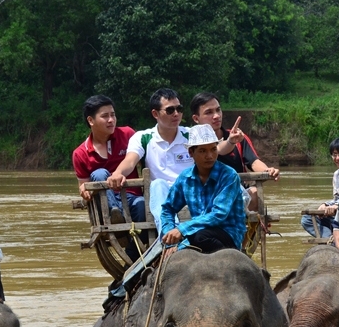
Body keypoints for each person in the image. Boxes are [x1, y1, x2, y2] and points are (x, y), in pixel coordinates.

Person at [107, 88, 193, 233]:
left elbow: (214, 151)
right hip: (161, 194)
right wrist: (118, 172)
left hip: (191, 191)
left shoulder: (192, 135)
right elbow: (130, 161)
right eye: (170, 110)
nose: (176, 114)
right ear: (155, 114)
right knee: (158, 184)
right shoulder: (143, 137)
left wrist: (230, 142)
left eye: (179, 109)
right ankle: (169, 235)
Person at [160, 124, 247, 254]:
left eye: (213, 149)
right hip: (198, 231)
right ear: (191, 152)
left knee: (199, 237)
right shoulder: (185, 178)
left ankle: (230, 259)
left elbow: (219, 214)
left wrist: (182, 229)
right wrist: (169, 235)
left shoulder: (229, 176)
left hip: (228, 232)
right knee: (197, 236)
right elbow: (168, 209)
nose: (210, 156)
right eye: (202, 151)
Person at [190, 92, 279, 210]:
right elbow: (219, 149)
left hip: (239, 193)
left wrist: (268, 170)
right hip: (208, 194)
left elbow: (254, 162)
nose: (216, 116)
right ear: (196, 118)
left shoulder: (238, 138)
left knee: (255, 192)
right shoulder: (193, 144)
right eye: (209, 112)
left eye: (218, 110)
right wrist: (230, 142)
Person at [72, 95, 145, 223]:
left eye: (113, 115)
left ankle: (128, 235)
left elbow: (145, 163)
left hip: (132, 197)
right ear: (91, 120)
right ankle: (115, 215)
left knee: (141, 205)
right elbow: (83, 185)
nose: (111, 120)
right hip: (104, 203)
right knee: (99, 173)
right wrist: (84, 190)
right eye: (105, 116)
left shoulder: (128, 135)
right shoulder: (81, 153)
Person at [300, 137, 339, 239]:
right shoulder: (337, 174)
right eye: (334, 155)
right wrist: (325, 204)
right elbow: (337, 198)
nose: (337, 158)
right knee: (307, 219)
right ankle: (330, 239)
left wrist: (334, 205)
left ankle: (335, 238)